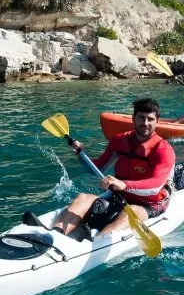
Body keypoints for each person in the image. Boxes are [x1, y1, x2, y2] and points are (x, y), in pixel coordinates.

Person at [47, 98, 175, 241]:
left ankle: (95, 242)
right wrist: (81, 155)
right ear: (133, 118)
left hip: (149, 204)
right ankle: (54, 236)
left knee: (131, 211)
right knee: (83, 198)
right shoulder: (119, 141)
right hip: (119, 197)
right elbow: (98, 168)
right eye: (141, 118)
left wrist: (125, 185)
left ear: (157, 121)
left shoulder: (163, 150)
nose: (145, 123)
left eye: (150, 119)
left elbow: (156, 187)